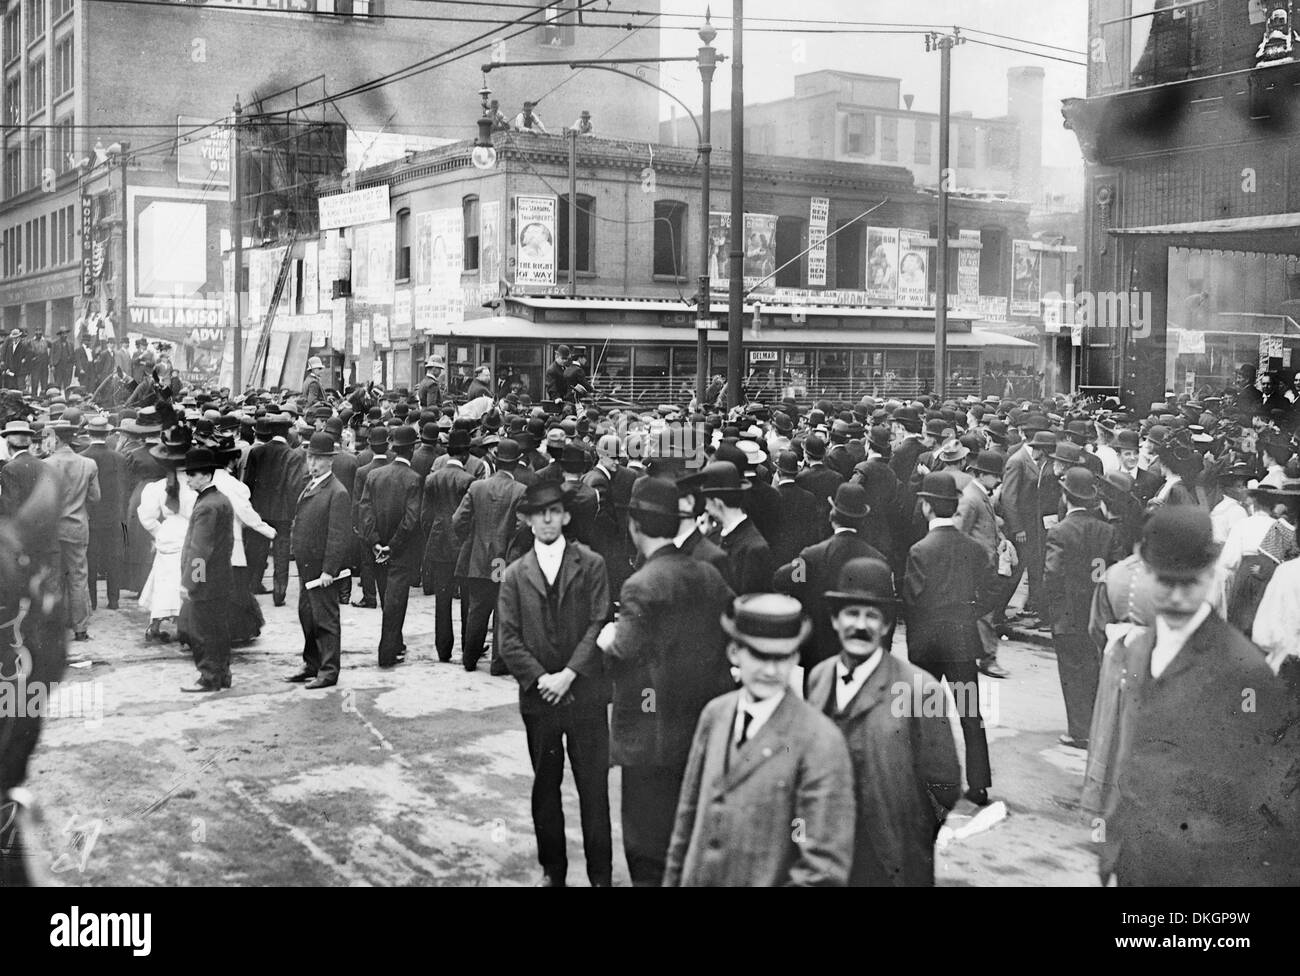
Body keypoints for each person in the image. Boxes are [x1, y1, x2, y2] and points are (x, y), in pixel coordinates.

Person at [1095, 506, 1300, 885]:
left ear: (1210, 576)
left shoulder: (1245, 671)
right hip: (1135, 859)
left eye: (1187, 583)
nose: (1174, 597)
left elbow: (1256, 793)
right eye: (1163, 581)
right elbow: (1131, 757)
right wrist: (1110, 846)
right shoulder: (1140, 649)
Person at [596, 475, 734, 886]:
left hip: (647, 735)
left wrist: (608, 640)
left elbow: (621, 658)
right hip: (696, 726)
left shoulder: (641, 584)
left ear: (634, 525)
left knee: (645, 846)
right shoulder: (708, 573)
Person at [663, 593, 856, 887]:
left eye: (781, 658)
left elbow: (822, 869)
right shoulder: (716, 715)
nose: (770, 670)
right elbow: (685, 824)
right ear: (734, 652)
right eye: (758, 655)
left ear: (795, 658)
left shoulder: (819, 740)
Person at [805, 557, 961, 886]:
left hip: (890, 861)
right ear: (834, 620)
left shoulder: (922, 688)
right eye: (850, 614)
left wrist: (911, 837)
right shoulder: (819, 678)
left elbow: (945, 785)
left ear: (887, 626)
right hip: (827, 853)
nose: (859, 626)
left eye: (871, 616)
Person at [498, 480, 613, 887]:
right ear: (528, 521)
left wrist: (569, 674)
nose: (547, 519)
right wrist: (541, 678)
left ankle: (601, 874)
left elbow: (601, 621)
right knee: (545, 787)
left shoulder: (592, 564)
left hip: (584, 693)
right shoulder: (515, 575)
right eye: (538, 513)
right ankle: (554, 870)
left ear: (565, 516)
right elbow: (507, 639)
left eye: (554, 511)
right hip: (540, 698)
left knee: (593, 788)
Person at [903, 471, 994, 805]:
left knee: (919, 712)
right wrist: (968, 615)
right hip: (961, 640)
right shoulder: (971, 548)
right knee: (970, 713)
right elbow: (989, 591)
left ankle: (916, 776)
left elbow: (912, 602)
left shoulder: (919, 550)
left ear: (927, 507)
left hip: (926, 644)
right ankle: (979, 783)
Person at [772, 482, 887, 671]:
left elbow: (782, 579)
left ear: (832, 515)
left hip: (818, 649)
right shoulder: (878, 559)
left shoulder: (811, 556)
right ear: (862, 518)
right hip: (861, 649)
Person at [1042, 468, 1117, 750]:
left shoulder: (1059, 531)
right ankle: (1098, 727)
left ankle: (1078, 731)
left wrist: (1055, 606)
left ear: (1066, 496)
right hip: (1099, 611)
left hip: (1069, 613)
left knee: (1072, 673)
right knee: (1095, 668)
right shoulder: (1107, 531)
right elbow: (1114, 569)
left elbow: (1053, 573)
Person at [453, 437, 527, 672]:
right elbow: (522, 528)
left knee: (477, 610)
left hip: (478, 557)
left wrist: (471, 541)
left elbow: (458, 520)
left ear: (495, 460)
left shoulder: (477, 487)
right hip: (504, 559)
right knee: (503, 612)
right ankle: (498, 662)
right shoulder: (521, 491)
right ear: (516, 463)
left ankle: (469, 659)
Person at [286, 433, 352, 689]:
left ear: (330, 461)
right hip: (306, 566)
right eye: (310, 458)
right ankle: (311, 662)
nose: (312, 464)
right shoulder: (312, 484)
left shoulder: (337, 492)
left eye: (318, 459)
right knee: (307, 616)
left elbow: (338, 535)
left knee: (325, 619)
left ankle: (328, 670)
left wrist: (329, 570)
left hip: (321, 569)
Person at [358, 424, 423, 668]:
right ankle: (387, 653)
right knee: (397, 603)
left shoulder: (374, 476)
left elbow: (364, 512)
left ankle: (396, 644)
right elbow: (411, 519)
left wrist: (376, 542)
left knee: (388, 600)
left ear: (395, 450)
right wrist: (392, 546)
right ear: (411, 451)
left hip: (377, 550)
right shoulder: (414, 479)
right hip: (401, 552)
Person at [177, 446, 234, 692]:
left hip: (207, 582)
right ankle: (222, 674)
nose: (188, 479)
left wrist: (190, 583)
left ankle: (209, 677)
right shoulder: (219, 499)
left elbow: (200, 550)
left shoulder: (206, 506)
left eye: (192, 474)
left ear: (207, 476)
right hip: (221, 578)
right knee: (219, 629)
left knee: (202, 632)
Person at [44, 417, 101, 642]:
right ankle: (80, 629)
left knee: (54, 578)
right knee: (78, 577)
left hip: (53, 529)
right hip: (78, 526)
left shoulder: (45, 464)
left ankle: (54, 629)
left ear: (57, 439)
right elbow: (96, 497)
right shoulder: (88, 464)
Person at [421, 429, 477, 662]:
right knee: (467, 599)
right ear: (465, 455)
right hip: (463, 546)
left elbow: (425, 516)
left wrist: (432, 536)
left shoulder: (432, 479)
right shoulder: (469, 481)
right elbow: (471, 518)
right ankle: (467, 645)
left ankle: (443, 648)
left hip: (439, 543)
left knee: (441, 600)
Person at [243, 413, 300, 606]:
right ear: (287, 432)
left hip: (259, 510)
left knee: (257, 549)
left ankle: (253, 585)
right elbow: (293, 486)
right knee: (281, 552)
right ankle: (279, 593)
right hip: (283, 512)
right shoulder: (292, 455)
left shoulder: (257, 452)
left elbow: (248, 483)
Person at [699, 459, 772, 595]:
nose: (706, 507)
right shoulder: (717, 533)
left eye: (707, 501)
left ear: (717, 502)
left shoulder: (754, 549)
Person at [82, 416, 127, 611]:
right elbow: (123, 489)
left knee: (90, 558)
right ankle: (114, 600)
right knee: (114, 558)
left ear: (89, 433)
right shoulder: (119, 458)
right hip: (113, 515)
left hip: (90, 516)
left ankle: (92, 600)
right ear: (108, 433)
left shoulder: (82, 457)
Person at [28, 332, 49, 398]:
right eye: (37, 331)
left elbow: (54, 348)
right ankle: (34, 397)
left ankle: (43, 397)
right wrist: (31, 358)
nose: (38, 332)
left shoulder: (46, 341)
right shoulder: (30, 342)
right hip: (35, 365)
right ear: (35, 333)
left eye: (40, 331)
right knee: (34, 382)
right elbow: (27, 352)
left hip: (44, 365)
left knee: (44, 382)